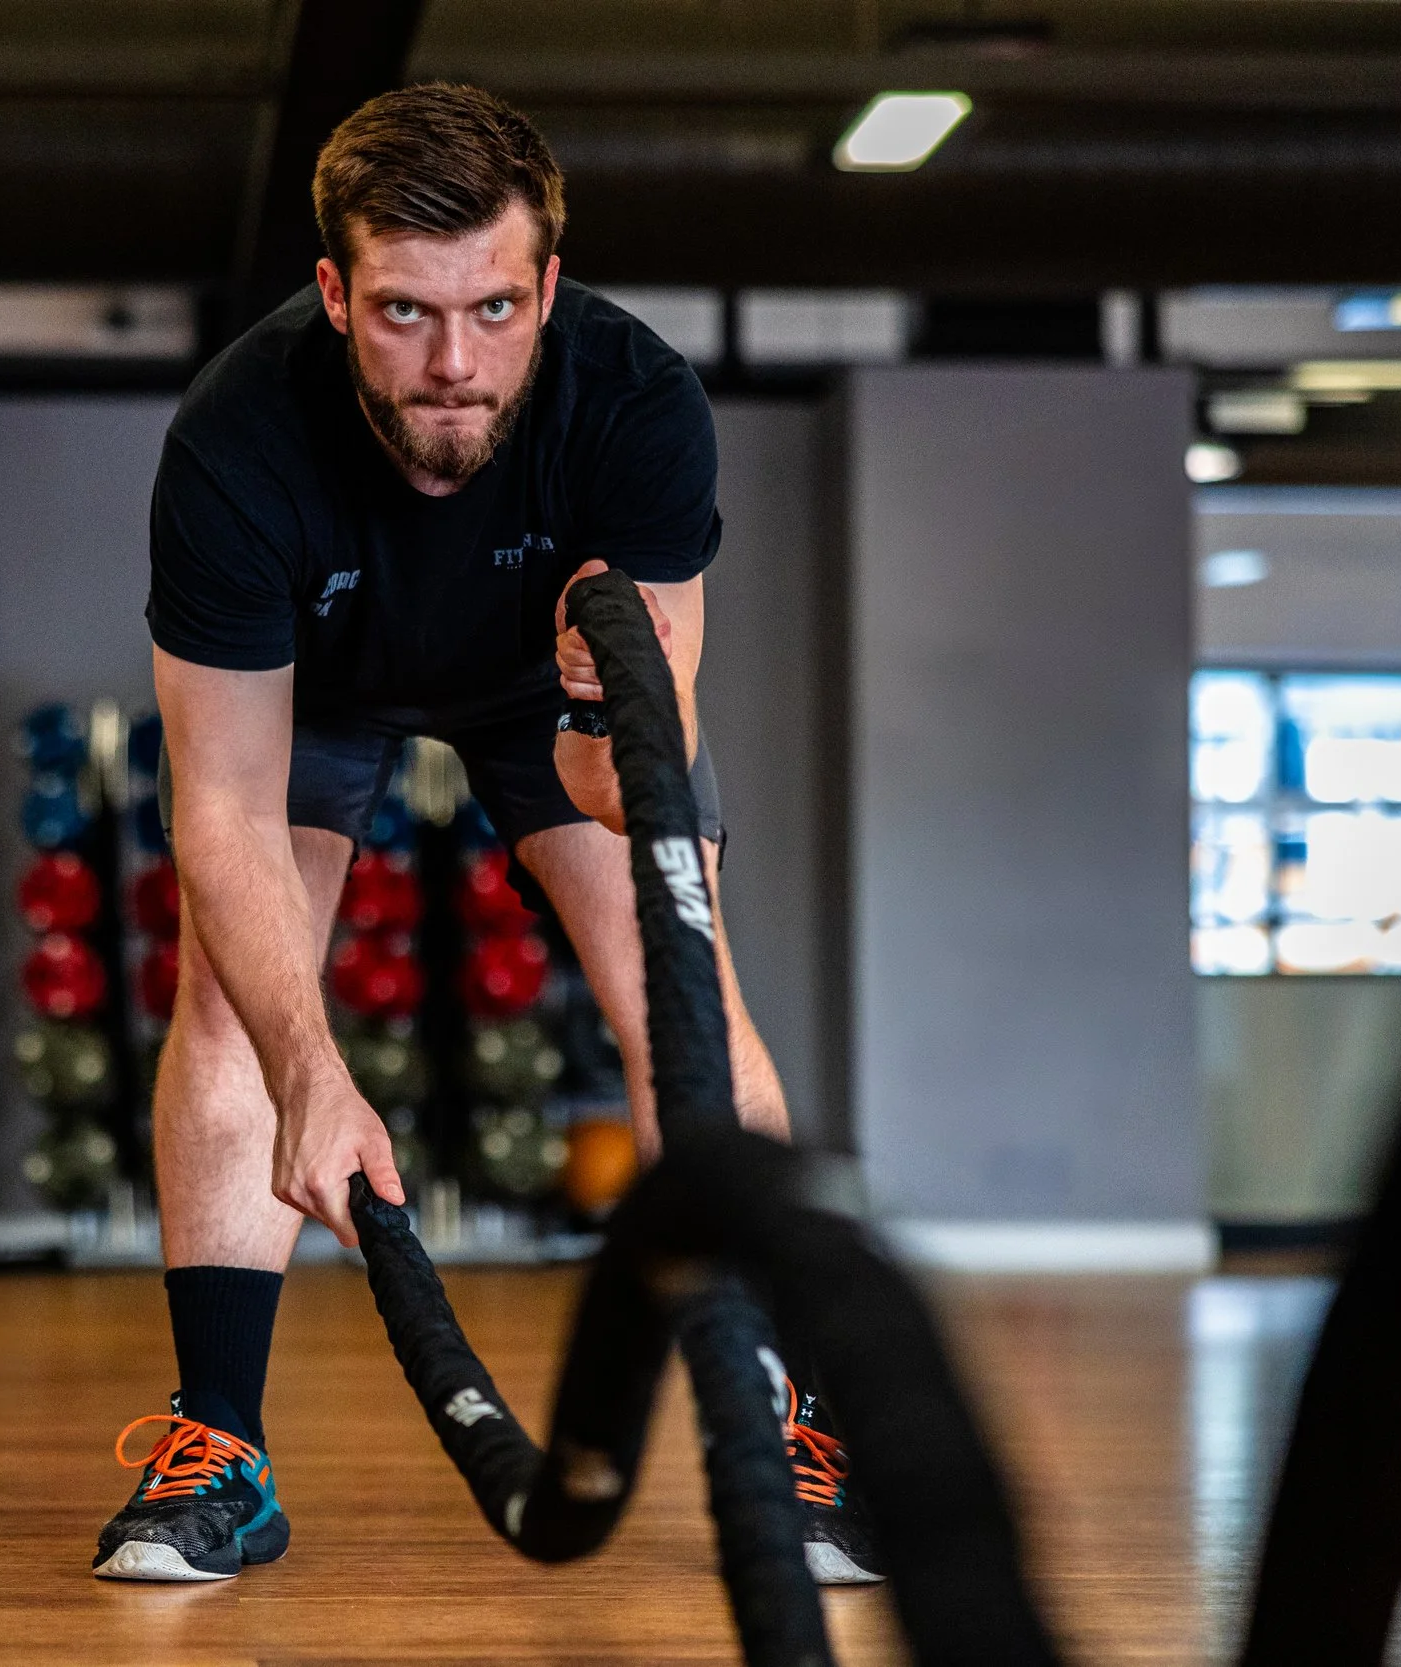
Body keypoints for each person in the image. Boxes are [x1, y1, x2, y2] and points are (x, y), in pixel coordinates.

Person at [95, 81, 874, 1587]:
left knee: (684, 995)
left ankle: (793, 1427)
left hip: (549, 692)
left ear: (549, 286)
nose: (454, 363)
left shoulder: (637, 404)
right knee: (233, 1002)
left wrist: (601, 714)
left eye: (495, 307)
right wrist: (315, 1076)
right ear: (333, 290)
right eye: (402, 312)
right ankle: (220, 1448)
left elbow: (633, 795)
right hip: (316, 682)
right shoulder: (236, 440)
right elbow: (225, 806)